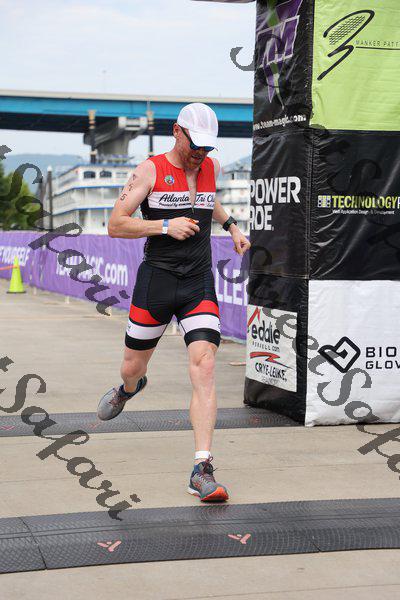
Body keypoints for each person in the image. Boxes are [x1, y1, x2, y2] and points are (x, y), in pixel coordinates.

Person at [97, 102, 251, 502]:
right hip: (157, 282)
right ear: (176, 132)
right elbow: (115, 225)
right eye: (195, 144)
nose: (201, 153)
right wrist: (165, 225)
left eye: (207, 147)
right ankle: (128, 389)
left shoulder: (210, 166)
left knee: (205, 363)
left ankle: (202, 468)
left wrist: (232, 226)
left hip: (198, 282)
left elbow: (209, 201)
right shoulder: (149, 170)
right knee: (132, 367)